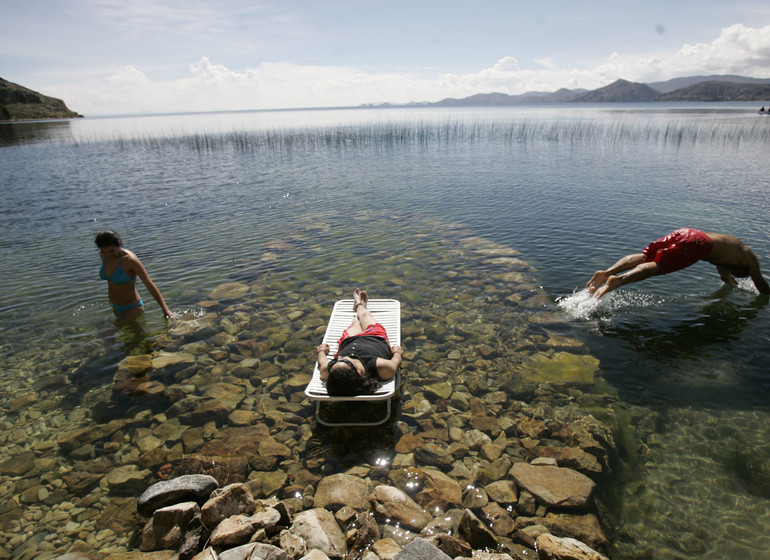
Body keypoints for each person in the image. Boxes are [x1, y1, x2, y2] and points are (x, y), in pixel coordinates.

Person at [587, 228, 770, 298]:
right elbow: (761, 284)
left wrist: (733, 283)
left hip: (688, 232)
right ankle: (619, 280)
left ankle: (605, 272)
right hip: (699, 244)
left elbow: (726, 278)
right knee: (658, 266)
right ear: (742, 269)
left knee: (646, 256)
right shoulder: (749, 257)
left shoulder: (729, 255)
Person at [315, 288, 403, 396]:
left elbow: (323, 362)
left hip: (349, 340)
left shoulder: (331, 370)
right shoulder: (380, 367)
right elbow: (395, 363)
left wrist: (322, 351)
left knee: (356, 322)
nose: (339, 358)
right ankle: (360, 305)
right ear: (358, 372)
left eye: (336, 361)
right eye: (346, 361)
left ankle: (358, 306)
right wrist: (397, 352)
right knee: (366, 315)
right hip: (374, 336)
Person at [95, 230, 175, 324]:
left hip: (133, 307)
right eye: (103, 251)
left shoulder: (130, 260)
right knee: (131, 334)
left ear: (119, 244)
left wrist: (166, 310)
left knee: (107, 333)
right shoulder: (105, 256)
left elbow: (148, 283)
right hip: (115, 305)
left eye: (112, 251)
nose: (108, 254)